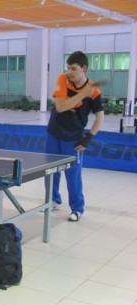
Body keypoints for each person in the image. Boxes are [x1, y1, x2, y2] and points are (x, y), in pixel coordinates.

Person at [46, 50, 104, 222]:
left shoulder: (94, 91)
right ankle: (53, 200)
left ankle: (77, 208)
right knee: (50, 171)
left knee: (73, 175)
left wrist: (88, 138)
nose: (69, 72)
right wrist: (82, 95)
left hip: (73, 137)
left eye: (73, 68)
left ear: (83, 68)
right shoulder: (62, 80)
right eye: (68, 68)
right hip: (54, 132)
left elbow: (99, 116)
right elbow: (60, 107)